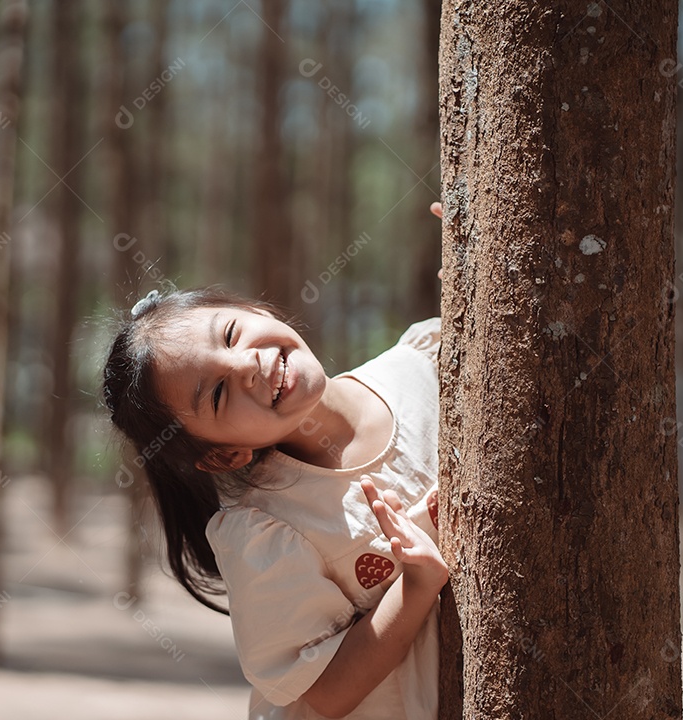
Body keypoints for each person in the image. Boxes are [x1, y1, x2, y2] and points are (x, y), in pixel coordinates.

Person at [101, 206, 447, 720]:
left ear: (259, 311)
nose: (248, 364)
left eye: (232, 333)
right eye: (217, 394)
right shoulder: (266, 528)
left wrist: (468, 265)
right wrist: (415, 587)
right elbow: (325, 693)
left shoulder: (425, 361)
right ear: (224, 454)